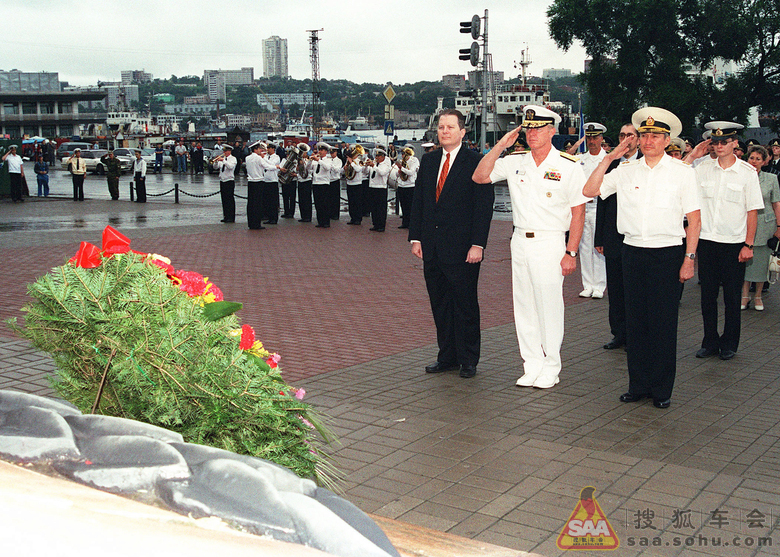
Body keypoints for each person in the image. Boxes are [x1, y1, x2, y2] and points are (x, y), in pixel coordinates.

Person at [583, 107, 701, 409]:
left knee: (662, 324)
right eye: (644, 135)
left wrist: (689, 258)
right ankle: (638, 384)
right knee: (636, 323)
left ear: (667, 140)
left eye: (655, 136)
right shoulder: (624, 172)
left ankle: (661, 389)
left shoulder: (682, 173)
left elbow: (694, 219)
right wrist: (608, 159)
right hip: (632, 252)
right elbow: (590, 189)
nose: (648, 140)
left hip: (667, 253)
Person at [473, 105, 587, 389]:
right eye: (528, 128)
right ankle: (532, 363)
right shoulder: (515, 160)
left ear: (552, 131)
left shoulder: (568, 165)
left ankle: (551, 365)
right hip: (520, 240)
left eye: (538, 128)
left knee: (548, 306)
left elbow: (578, 212)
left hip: (550, 241)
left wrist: (571, 252)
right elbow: (479, 176)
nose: (532, 133)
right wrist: (501, 144)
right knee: (524, 306)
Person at [410, 109, 494, 379]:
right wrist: (416, 237)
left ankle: (468, 359)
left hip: (463, 249)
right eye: (441, 127)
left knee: (465, 305)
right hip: (432, 248)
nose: (444, 131)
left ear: (462, 132)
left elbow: (483, 208)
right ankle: (447, 356)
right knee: (440, 304)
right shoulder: (430, 160)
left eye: (450, 127)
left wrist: (477, 244)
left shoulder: (476, 162)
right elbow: (420, 202)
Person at [687, 121, 763, 361]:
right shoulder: (701, 168)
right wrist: (692, 154)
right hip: (707, 241)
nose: (719, 146)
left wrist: (748, 244)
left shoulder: (747, 173)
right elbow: (677, 174)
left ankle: (729, 343)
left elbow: (752, 211)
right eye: (715, 142)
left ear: (735, 144)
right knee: (707, 296)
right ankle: (709, 341)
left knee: (731, 297)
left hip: (734, 244)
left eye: (724, 142)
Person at [594, 124, 641, 350]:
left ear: (639, 140)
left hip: (638, 237)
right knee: (616, 288)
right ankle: (619, 333)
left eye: (630, 135)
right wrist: (599, 238)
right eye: (622, 135)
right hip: (614, 236)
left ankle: (636, 335)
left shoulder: (645, 164)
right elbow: (601, 204)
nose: (625, 139)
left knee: (636, 290)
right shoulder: (612, 165)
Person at [742, 145, 780, 310]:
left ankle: (757, 296)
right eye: (752, 158)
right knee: (744, 261)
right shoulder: (741, 176)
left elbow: (776, 204)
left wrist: (779, 226)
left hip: (766, 225)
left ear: (764, 161)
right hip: (745, 224)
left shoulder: (771, 179)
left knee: (762, 262)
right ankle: (744, 296)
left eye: (758, 159)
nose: (754, 162)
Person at [577, 122, 608, 299]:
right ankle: (587, 284)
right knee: (584, 246)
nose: (592, 141)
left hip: (599, 208)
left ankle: (599, 285)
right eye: (589, 137)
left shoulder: (607, 160)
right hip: (584, 208)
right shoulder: (581, 160)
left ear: (601, 139)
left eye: (595, 137)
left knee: (598, 247)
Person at [366, 148, 391, 232]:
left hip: (381, 188)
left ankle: (381, 225)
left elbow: (382, 173)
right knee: (373, 207)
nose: (377, 157)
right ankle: (375, 224)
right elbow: (366, 172)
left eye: (378, 156)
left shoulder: (386, 165)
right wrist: (366, 166)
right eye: (376, 156)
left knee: (381, 208)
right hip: (372, 187)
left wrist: (374, 166)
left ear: (383, 157)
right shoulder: (375, 164)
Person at [311, 142, 335, 228]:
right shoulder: (316, 160)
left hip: (324, 184)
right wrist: (310, 161)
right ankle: (320, 221)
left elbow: (327, 168)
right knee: (318, 204)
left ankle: (326, 222)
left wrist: (318, 160)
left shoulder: (328, 160)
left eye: (321, 150)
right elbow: (309, 169)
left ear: (325, 151)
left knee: (325, 204)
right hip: (316, 183)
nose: (319, 151)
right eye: (319, 150)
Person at [396, 146, 420, 229]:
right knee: (403, 205)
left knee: (410, 206)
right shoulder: (402, 162)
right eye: (402, 154)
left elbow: (411, 172)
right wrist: (399, 171)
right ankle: (405, 223)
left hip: (410, 186)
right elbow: (396, 174)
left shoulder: (414, 160)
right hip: (401, 185)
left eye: (404, 154)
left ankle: (411, 223)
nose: (402, 156)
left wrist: (401, 168)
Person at [245, 141, 266, 230]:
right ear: (256, 149)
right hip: (258, 182)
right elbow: (266, 166)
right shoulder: (258, 158)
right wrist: (276, 167)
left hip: (251, 182)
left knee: (251, 203)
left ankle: (251, 223)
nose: (260, 150)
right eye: (259, 149)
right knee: (257, 204)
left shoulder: (247, 158)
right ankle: (257, 224)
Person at [259, 143, 281, 224]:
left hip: (273, 181)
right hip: (265, 180)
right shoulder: (266, 156)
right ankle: (267, 216)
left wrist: (263, 158)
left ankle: (274, 218)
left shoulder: (276, 157)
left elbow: (271, 165)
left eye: (269, 148)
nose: (267, 150)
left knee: (273, 201)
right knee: (266, 201)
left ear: (273, 149)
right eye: (267, 148)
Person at [344, 146, 367, 225]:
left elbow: (358, 169)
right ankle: (352, 218)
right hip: (349, 183)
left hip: (357, 184)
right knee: (351, 202)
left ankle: (358, 218)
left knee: (357, 202)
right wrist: (345, 168)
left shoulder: (359, 161)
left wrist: (351, 162)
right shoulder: (349, 161)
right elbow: (343, 172)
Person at [215, 145, 237, 223]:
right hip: (223, 180)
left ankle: (231, 217)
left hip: (229, 181)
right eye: (223, 151)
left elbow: (230, 167)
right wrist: (216, 162)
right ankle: (226, 216)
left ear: (229, 151)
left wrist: (223, 160)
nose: (224, 152)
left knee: (230, 200)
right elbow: (216, 167)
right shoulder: (223, 160)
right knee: (224, 200)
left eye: (225, 151)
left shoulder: (233, 159)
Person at [296, 143, 313, 223]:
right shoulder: (298, 161)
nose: (303, 154)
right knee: (301, 200)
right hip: (300, 181)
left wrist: (303, 164)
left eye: (304, 152)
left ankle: (308, 216)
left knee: (307, 200)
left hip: (307, 181)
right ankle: (303, 216)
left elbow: (308, 169)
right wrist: (297, 168)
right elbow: (297, 171)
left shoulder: (308, 161)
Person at [328, 147, 343, 220]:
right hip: (329, 180)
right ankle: (330, 213)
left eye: (333, 153)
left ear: (336, 152)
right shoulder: (329, 159)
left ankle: (335, 215)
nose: (331, 154)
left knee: (335, 199)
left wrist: (331, 165)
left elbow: (337, 170)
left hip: (335, 180)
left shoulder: (338, 161)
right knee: (329, 199)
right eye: (330, 153)